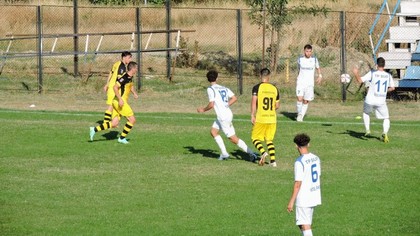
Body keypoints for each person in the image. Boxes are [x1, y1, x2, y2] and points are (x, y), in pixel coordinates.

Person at [197, 70, 258, 161]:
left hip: (223, 117)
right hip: (225, 114)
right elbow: (234, 98)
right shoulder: (223, 88)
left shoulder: (210, 89)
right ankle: (224, 153)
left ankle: (251, 153)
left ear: (207, 79)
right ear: (217, 78)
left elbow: (211, 104)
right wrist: (226, 105)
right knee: (213, 132)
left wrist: (203, 110)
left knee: (233, 138)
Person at [90, 61, 139, 144]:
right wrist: (120, 99)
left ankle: (94, 129)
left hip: (117, 102)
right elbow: (115, 87)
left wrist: (134, 93)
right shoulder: (125, 77)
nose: (137, 69)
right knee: (132, 120)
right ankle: (122, 138)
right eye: (136, 68)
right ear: (133, 69)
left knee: (114, 123)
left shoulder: (130, 77)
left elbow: (130, 86)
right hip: (120, 102)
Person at [352, 57, 395, 143]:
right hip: (381, 101)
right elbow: (393, 88)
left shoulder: (372, 73)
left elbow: (360, 80)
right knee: (386, 118)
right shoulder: (388, 76)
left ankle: (368, 129)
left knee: (366, 113)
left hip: (370, 100)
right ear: (384, 65)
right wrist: (385, 91)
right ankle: (385, 132)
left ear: (376, 65)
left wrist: (356, 73)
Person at [287, 133, 321, 236]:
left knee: (305, 225)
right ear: (308, 144)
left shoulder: (299, 162)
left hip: (304, 197)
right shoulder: (316, 158)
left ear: (296, 146)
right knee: (303, 224)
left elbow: (298, 183)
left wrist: (291, 202)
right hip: (314, 193)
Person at [251, 68, 280, 167]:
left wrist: (252, 115)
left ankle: (263, 152)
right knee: (269, 140)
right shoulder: (274, 88)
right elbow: (277, 106)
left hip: (261, 118)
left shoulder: (257, 88)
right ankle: (273, 161)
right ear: (269, 76)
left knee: (255, 138)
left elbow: (254, 102)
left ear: (260, 76)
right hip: (272, 119)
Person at [102, 51, 132, 123]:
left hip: (111, 87)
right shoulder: (122, 67)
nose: (130, 60)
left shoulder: (117, 63)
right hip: (114, 89)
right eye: (129, 58)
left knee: (113, 105)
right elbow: (120, 80)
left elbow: (111, 73)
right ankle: (106, 123)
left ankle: (112, 121)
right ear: (124, 57)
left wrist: (107, 84)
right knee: (112, 105)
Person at [296, 44, 322, 122]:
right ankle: (299, 115)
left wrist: (320, 76)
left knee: (306, 100)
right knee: (299, 98)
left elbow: (318, 68)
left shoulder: (314, 59)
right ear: (304, 51)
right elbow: (298, 69)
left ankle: (301, 115)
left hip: (310, 83)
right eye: (307, 51)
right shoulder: (300, 59)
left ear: (311, 51)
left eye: (310, 51)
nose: (308, 53)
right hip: (301, 82)